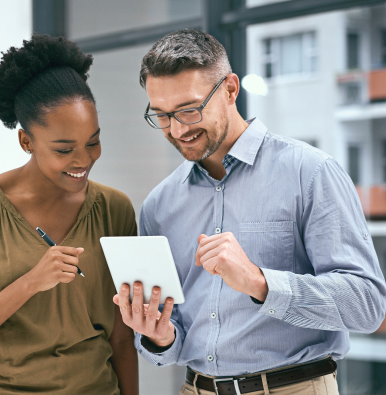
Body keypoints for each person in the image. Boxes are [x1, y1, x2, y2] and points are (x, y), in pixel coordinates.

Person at [114, 29, 386, 395]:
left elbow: (367, 305)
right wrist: (160, 337)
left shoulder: (310, 172)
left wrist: (260, 282)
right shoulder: (160, 204)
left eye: (190, 110)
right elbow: (172, 336)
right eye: (161, 115)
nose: (178, 129)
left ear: (230, 88)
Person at [0, 35, 139, 395]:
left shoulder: (115, 209)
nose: (83, 160)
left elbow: (122, 339)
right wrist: (31, 282)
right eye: (64, 149)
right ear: (26, 142)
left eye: (93, 142)